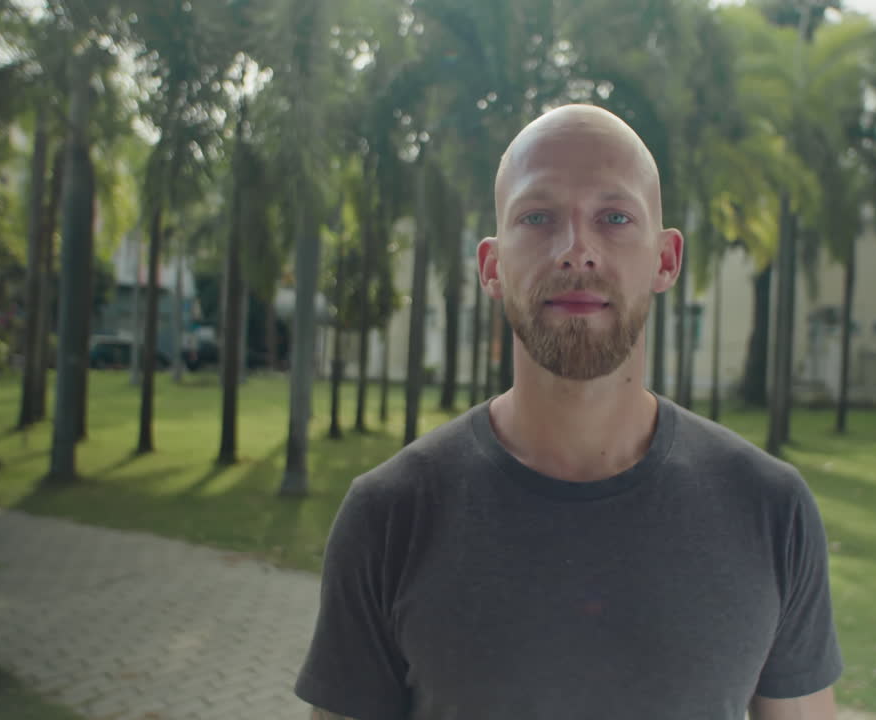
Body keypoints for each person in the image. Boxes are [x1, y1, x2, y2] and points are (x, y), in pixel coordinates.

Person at [296, 104, 842, 720]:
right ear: (492, 265)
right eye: (538, 217)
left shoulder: (771, 509)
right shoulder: (391, 515)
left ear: (665, 259)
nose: (576, 250)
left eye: (613, 217)